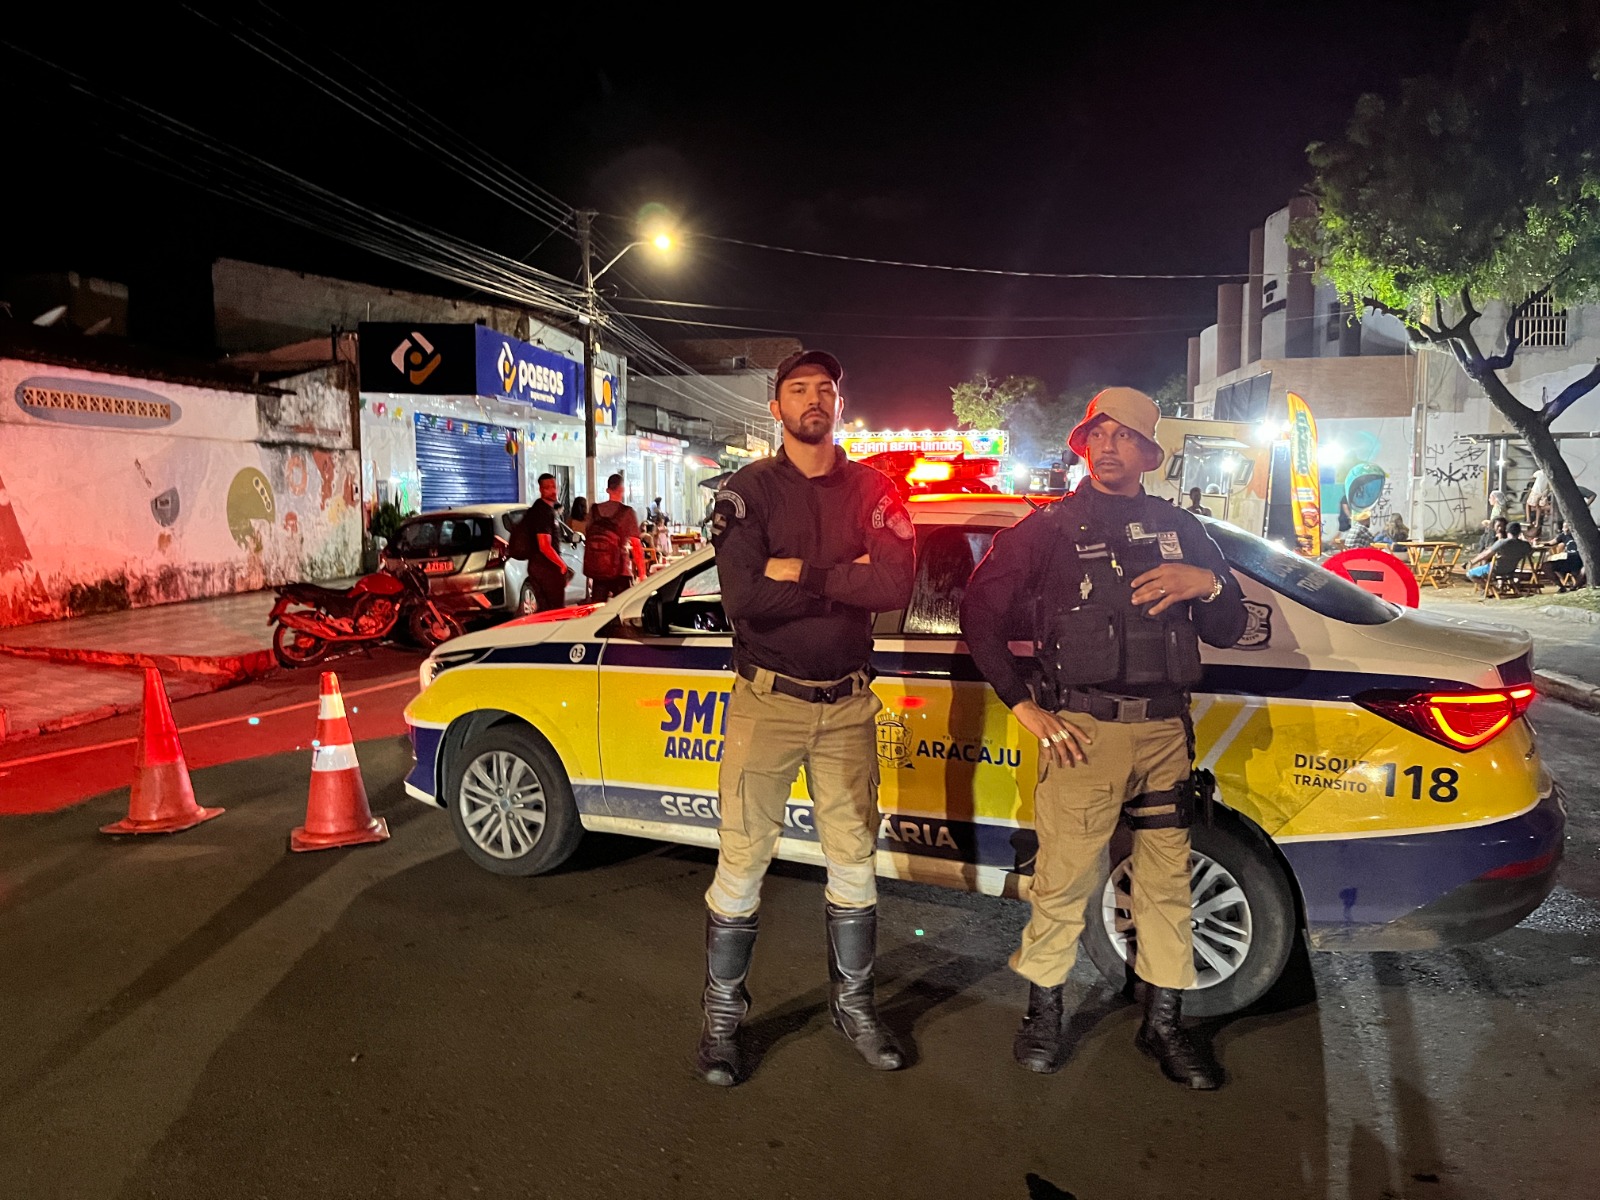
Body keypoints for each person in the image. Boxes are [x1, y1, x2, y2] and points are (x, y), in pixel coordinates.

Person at [961, 387, 1246, 1090]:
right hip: (1082, 734)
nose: (1109, 446)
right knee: (1063, 880)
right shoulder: (1049, 530)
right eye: (1099, 434)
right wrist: (1024, 707)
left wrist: (1207, 583)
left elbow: (1230, 626)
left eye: (1125, 436)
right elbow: (978, 614)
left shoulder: (1181, 527)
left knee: (1167, 885)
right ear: (1085, 445)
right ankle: (1044, 1013)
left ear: (1149, 453)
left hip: (1164, 733)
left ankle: (1164, 1023)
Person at [694, 349, 916, 1087]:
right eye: (798, 389)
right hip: (769, 703)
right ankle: (722, 1019)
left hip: (848, 706)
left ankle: (853, 1008)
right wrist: (848, 579)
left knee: (854, 861)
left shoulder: (875, 490)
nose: (813, 398)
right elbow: (744, 600)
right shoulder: (748, 491)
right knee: (742, 863)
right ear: (777, 407)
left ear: (840, 404)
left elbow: (895, 586)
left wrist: (805, 572)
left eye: (826, 388)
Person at [507, 473, 572, 611]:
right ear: (541, 490)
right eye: (548, 487)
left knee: (545, 610)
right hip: (546, 571)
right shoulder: (543, 512)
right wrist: (562, 565)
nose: (553, 490)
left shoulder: (538, 509)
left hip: (537, 568)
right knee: (555, 612)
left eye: (554, 486)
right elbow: (544, 545)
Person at [583, 474, 646, 603]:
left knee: (599, 609)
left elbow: (588, 536)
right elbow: (636, 545)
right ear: (622, 489)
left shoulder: (594, 510)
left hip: (599, 571)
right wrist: (642, 573)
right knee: (623, 608)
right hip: (621, 571)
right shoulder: (627, 512)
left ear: (607, 490)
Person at [1465, 520, 1533, 581]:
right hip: (1511, 570)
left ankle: (1489, 588)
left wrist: (1472, 562)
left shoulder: (1502, 542)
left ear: (1507, 531)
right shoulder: (1525, 545)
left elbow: (1485, 555)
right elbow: (1530, 553)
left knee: (1470, 573)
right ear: (1519, 532)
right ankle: (1493, 588)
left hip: (1495, 570)